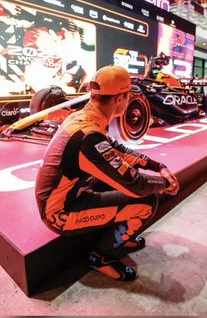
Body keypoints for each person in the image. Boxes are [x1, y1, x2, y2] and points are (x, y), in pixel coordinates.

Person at [35, 65, 179, 281]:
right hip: (60, 215)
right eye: (128, 95)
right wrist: (165, 184)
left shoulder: (84, 118)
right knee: (147, 201)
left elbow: (117, 149)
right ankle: (101, 256)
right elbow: (136, 185)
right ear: (120, 98)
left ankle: (117, 237)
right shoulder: (88, 136)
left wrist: (158, 166)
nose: (130, 99)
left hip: (70, 194)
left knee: (116, 179)